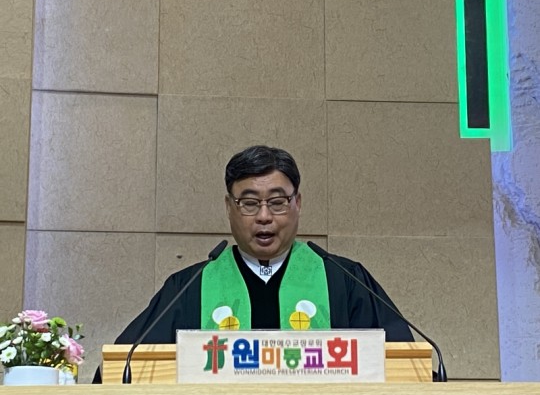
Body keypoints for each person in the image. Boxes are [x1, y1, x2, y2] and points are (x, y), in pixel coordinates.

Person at [92, 145, 413, 383]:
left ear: (298, 204)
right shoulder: (190, 287)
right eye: (248, 203)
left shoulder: (343, 280)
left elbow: (405, 366)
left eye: (277, 202)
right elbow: (123, 368)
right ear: (228, 207)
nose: (263, 216)